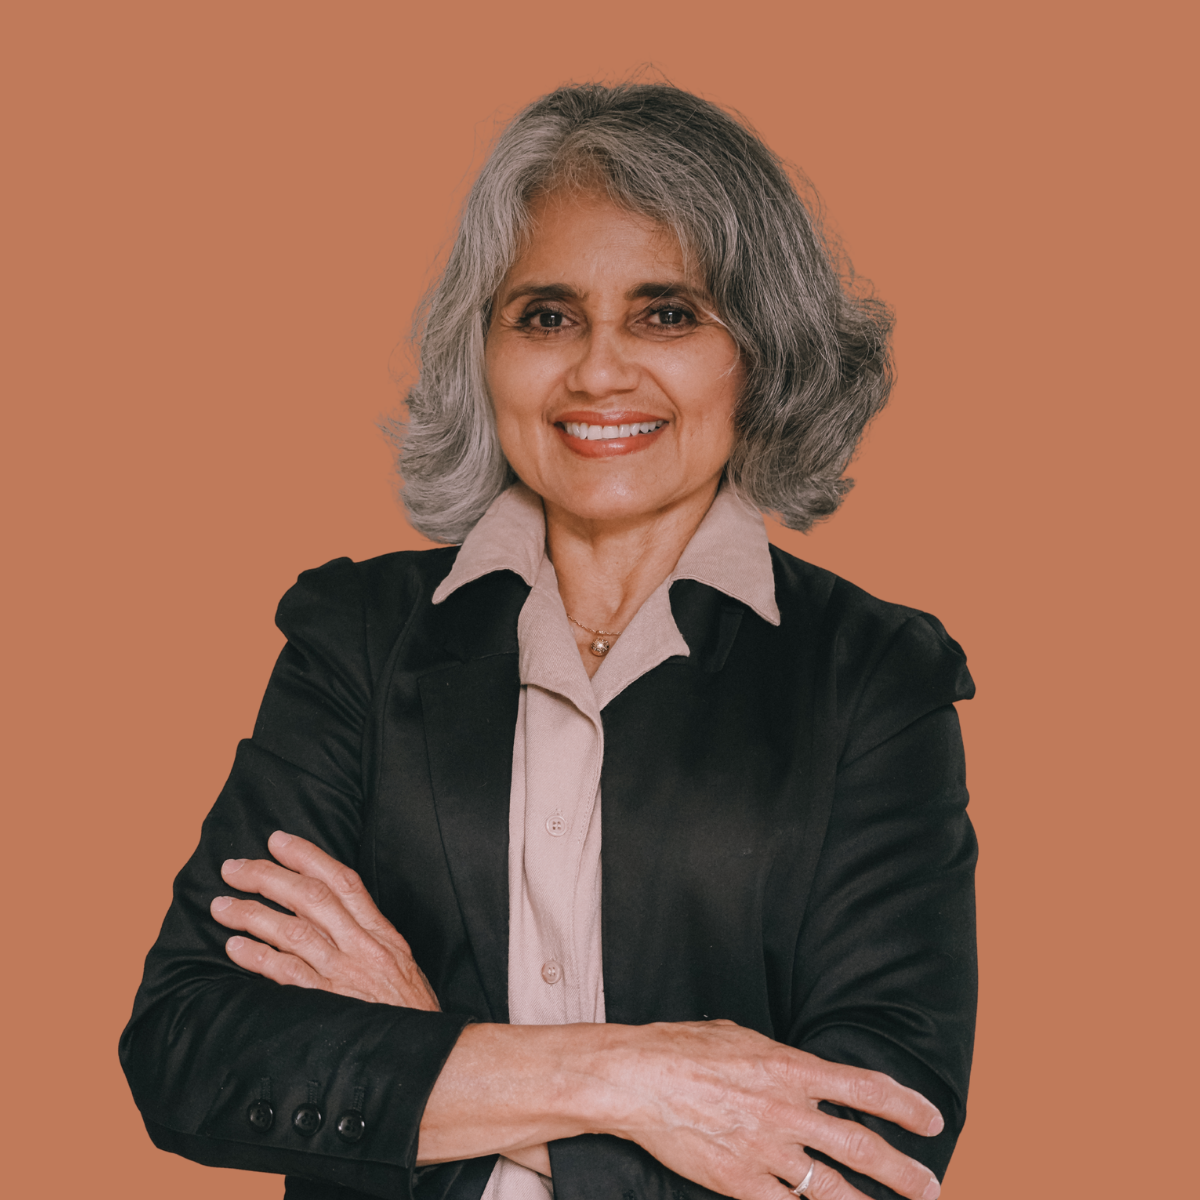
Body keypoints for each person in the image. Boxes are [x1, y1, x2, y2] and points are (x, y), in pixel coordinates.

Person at [120, 82, 977, 1200]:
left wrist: (427, 1050)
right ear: (485, 348)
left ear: (758, 352)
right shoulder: (357, 642)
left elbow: (870, 1150)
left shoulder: (873, 680)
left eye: (668, 313)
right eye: (546, 315)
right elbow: (191, 1050)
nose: (599, 371)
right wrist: (634, 1083)